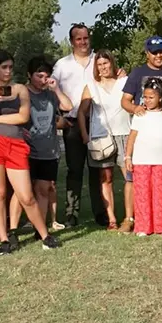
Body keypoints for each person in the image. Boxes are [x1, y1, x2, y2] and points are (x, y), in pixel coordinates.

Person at [0, 50, 59, 254]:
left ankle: (45, 235)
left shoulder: (19, 89)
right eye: (4, 67)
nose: (8, 71)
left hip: (16, 143)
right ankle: (4, 239)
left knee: (25, 195)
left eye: (10, 67)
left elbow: (22, 117)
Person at [8, 56, 72, 234]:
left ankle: (40, 228)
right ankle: (12, 230)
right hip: (26, 150)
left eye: (46, 76)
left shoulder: (51, 94)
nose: (43, 80)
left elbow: (68, 105)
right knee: (21, 192)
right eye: (39, 75)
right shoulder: (22, 93)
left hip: (48, 150)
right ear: (29, 75)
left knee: (43, 190)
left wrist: (56, 89)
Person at [52, 24, 106, 227]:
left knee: (97, 169)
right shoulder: (62, 65)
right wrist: (59, 116)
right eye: (78, 39)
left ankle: (99, 212)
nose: (83, 42)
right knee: (74, 170)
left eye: (86, 38)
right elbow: (51, 89)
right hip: (72, 123)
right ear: (72, 41)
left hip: (97, 122)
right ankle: (71, 213)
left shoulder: (98, 60)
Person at [120, 35, 162, 185]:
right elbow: (125, 100)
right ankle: (136, 209)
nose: (158, 56)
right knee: (136, 181)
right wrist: (135, 108)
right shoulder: (137, 73)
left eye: (161, 52)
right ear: (147, 53)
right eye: (154, 52)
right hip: (142, 139)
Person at [79, 50, 133, 232]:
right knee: (106, 178)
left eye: (106, 63)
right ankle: (111, 219)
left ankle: (130, 216)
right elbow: (81, 112)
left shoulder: (125, 82)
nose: (103, 67)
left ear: (112, 63)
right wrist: (85, 135)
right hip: (101, 137)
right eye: (99, 65)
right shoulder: (91, 86)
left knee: (130, 176)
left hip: (125, 133)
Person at [124, 77, 162, 237]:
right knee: (142, 194)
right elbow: (131, 138)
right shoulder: (139, 115)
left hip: (161, 161)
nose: (147, 100)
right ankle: (142, 226)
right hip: (141, 161)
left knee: (161, 194)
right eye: (145, 97)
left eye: (151, 97)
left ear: (161, 98)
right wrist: (128, 157)